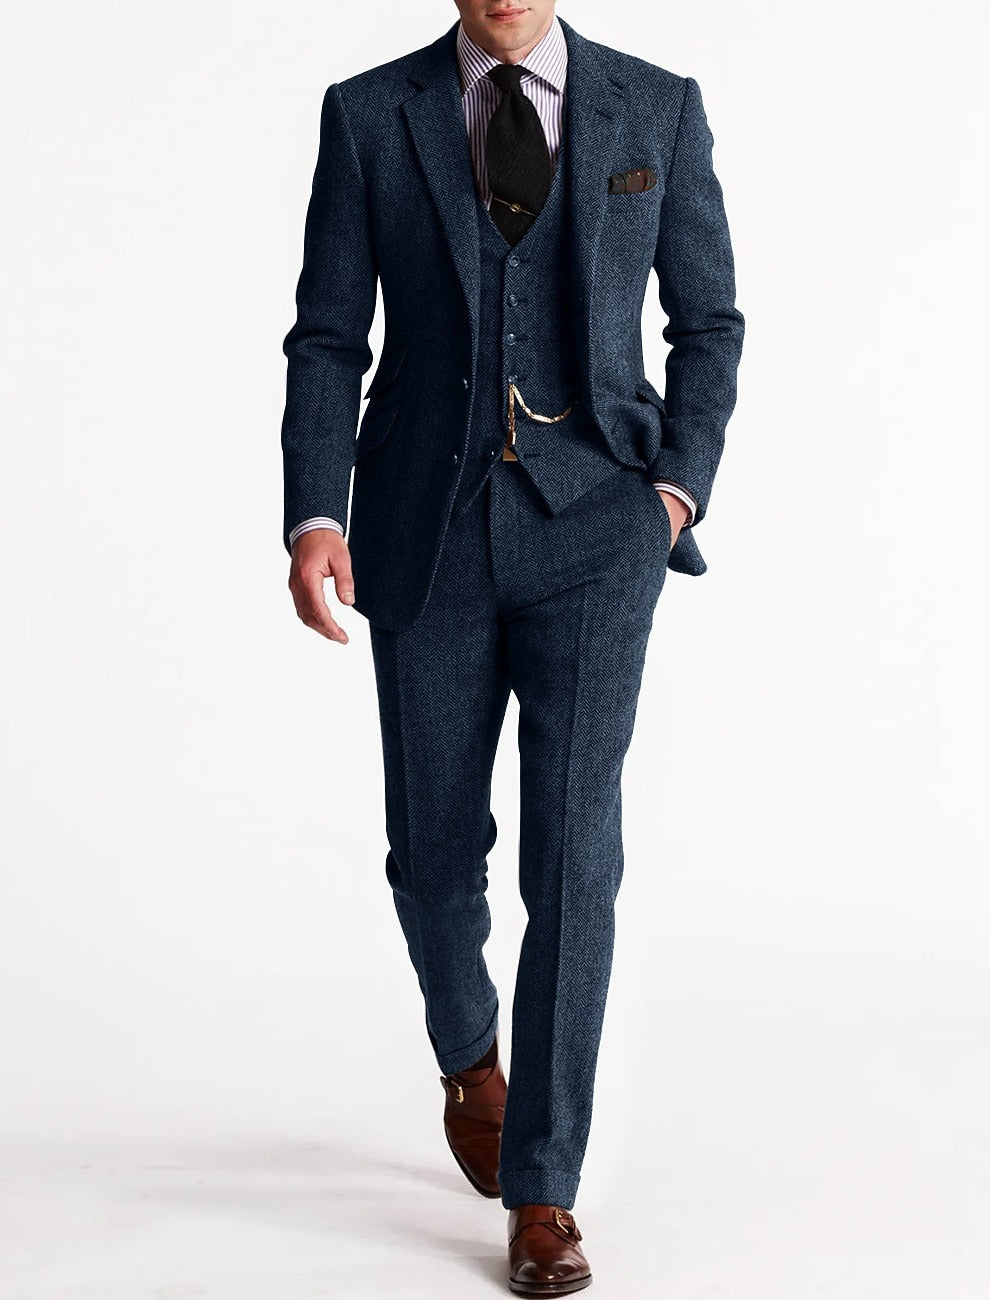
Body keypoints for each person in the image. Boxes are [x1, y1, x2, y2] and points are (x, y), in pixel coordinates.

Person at [280, 1, 743, 1292]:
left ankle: (546, 1191)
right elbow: (329, 337)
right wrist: (317, 513)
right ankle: (468, 1052)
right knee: (431, 855)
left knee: (575, 858)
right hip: (422, 531)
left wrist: (672, 496)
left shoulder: (656, 107)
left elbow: (709, 323)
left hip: (599, 530)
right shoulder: (369, 116)